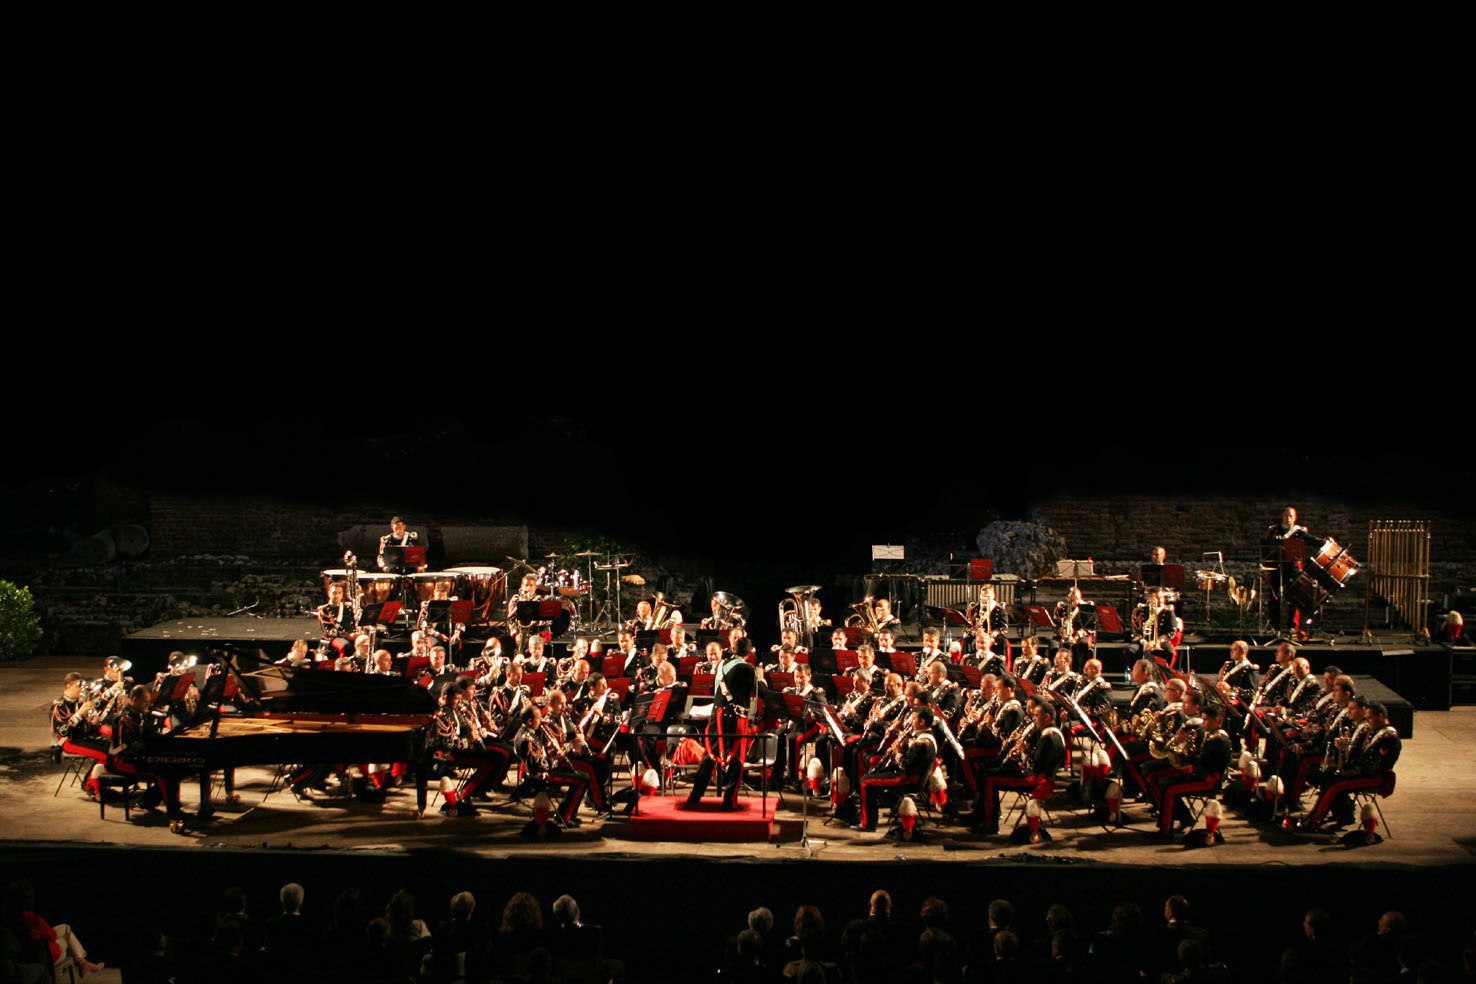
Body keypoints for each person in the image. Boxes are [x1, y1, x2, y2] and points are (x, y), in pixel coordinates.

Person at [2, 879, 105, 979]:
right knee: (66, 939)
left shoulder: (6, 920)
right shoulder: (33, 919)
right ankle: (82, 962)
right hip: (47, 957)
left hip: (24, 958)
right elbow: (52, 936)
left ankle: (82, 962)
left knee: (66, 928)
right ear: (29, 899)